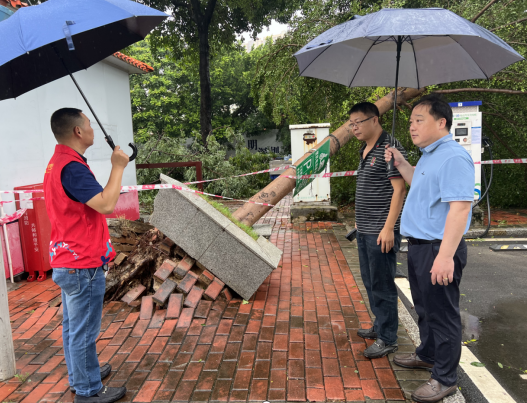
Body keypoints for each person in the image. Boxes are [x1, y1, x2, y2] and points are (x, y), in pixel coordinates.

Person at [385, 94, 474, 403]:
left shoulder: (452, 157)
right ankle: (428, 354)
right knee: (424, 308)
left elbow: (460, 209)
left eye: (419, 120)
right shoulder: (428, 154)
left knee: (443, 315)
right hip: (420, 247)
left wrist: (446, 256)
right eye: (410, 121)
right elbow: (418, 184)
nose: (412, 127)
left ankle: (445, 378)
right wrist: (402, 162)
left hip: (439, 248)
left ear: (441, 122)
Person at [44, 108, 129, 403]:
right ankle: (87, 391)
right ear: (78, 131)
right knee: (83, 331)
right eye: (89, 123)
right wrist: (118, 166)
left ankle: (83, 374)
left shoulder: (58, 164)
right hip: (82, 262)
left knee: (73, 327)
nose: (93, 127)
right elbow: (105, 205)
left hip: (68, 258)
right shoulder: (72, 168)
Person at [349, 102, 407, 358]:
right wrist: (357, 219)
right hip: (365, 227)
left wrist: (389, 228)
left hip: (381, 231)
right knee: (370, 281)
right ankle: (380, 325)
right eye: (351, 124)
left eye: (358, 122)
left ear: (375, 120)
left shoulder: (390, 148)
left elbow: (399, 189)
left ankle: (388, 338)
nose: (354, 128)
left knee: (382, 285)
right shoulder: (365, 148)